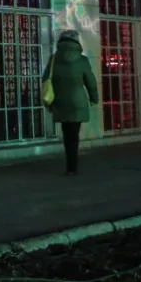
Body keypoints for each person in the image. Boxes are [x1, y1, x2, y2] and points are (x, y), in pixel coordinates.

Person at [42, 30, 98, 176]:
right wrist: (94, 98)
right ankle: (73, 167)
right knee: (74, 134)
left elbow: (46, 79)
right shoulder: (82, 60)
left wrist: (48, 102)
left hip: (60, 102)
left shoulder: (53, 59)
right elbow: (90, 81)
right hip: (78, 101)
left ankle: (70, 166)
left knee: (67, 134)